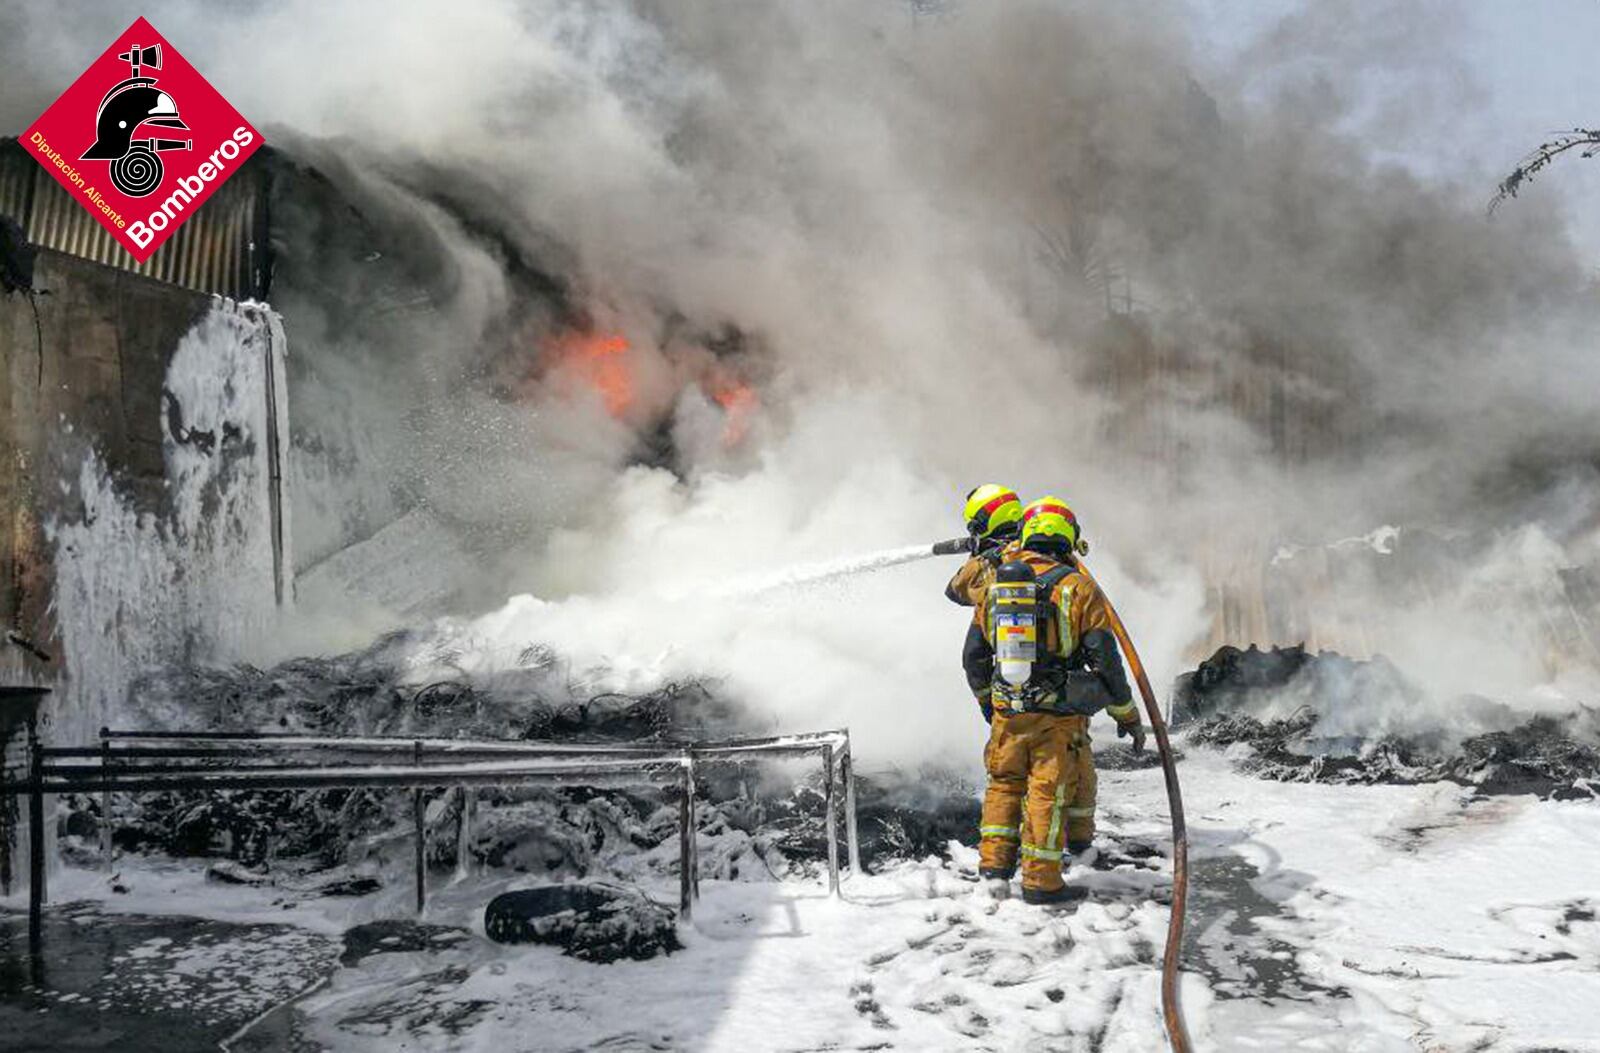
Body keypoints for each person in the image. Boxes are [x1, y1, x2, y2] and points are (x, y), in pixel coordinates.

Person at [962, 495, 1147, 904]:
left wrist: (987, 703)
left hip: (1008, 710)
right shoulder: (1079, 588)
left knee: (1004, 785)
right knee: (1047, 792)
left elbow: (973, 655)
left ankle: (993, 870)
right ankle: (1041, 883)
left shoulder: (996, 587)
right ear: (1069, 540)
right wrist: (1126, 714)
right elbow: (1106, 661)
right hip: (1056, 715)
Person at [945, 484, 1024, 607]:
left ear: (981, 525)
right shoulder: (1034, 547)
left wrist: (976, 553)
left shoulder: (989, 560)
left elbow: (955, 591)